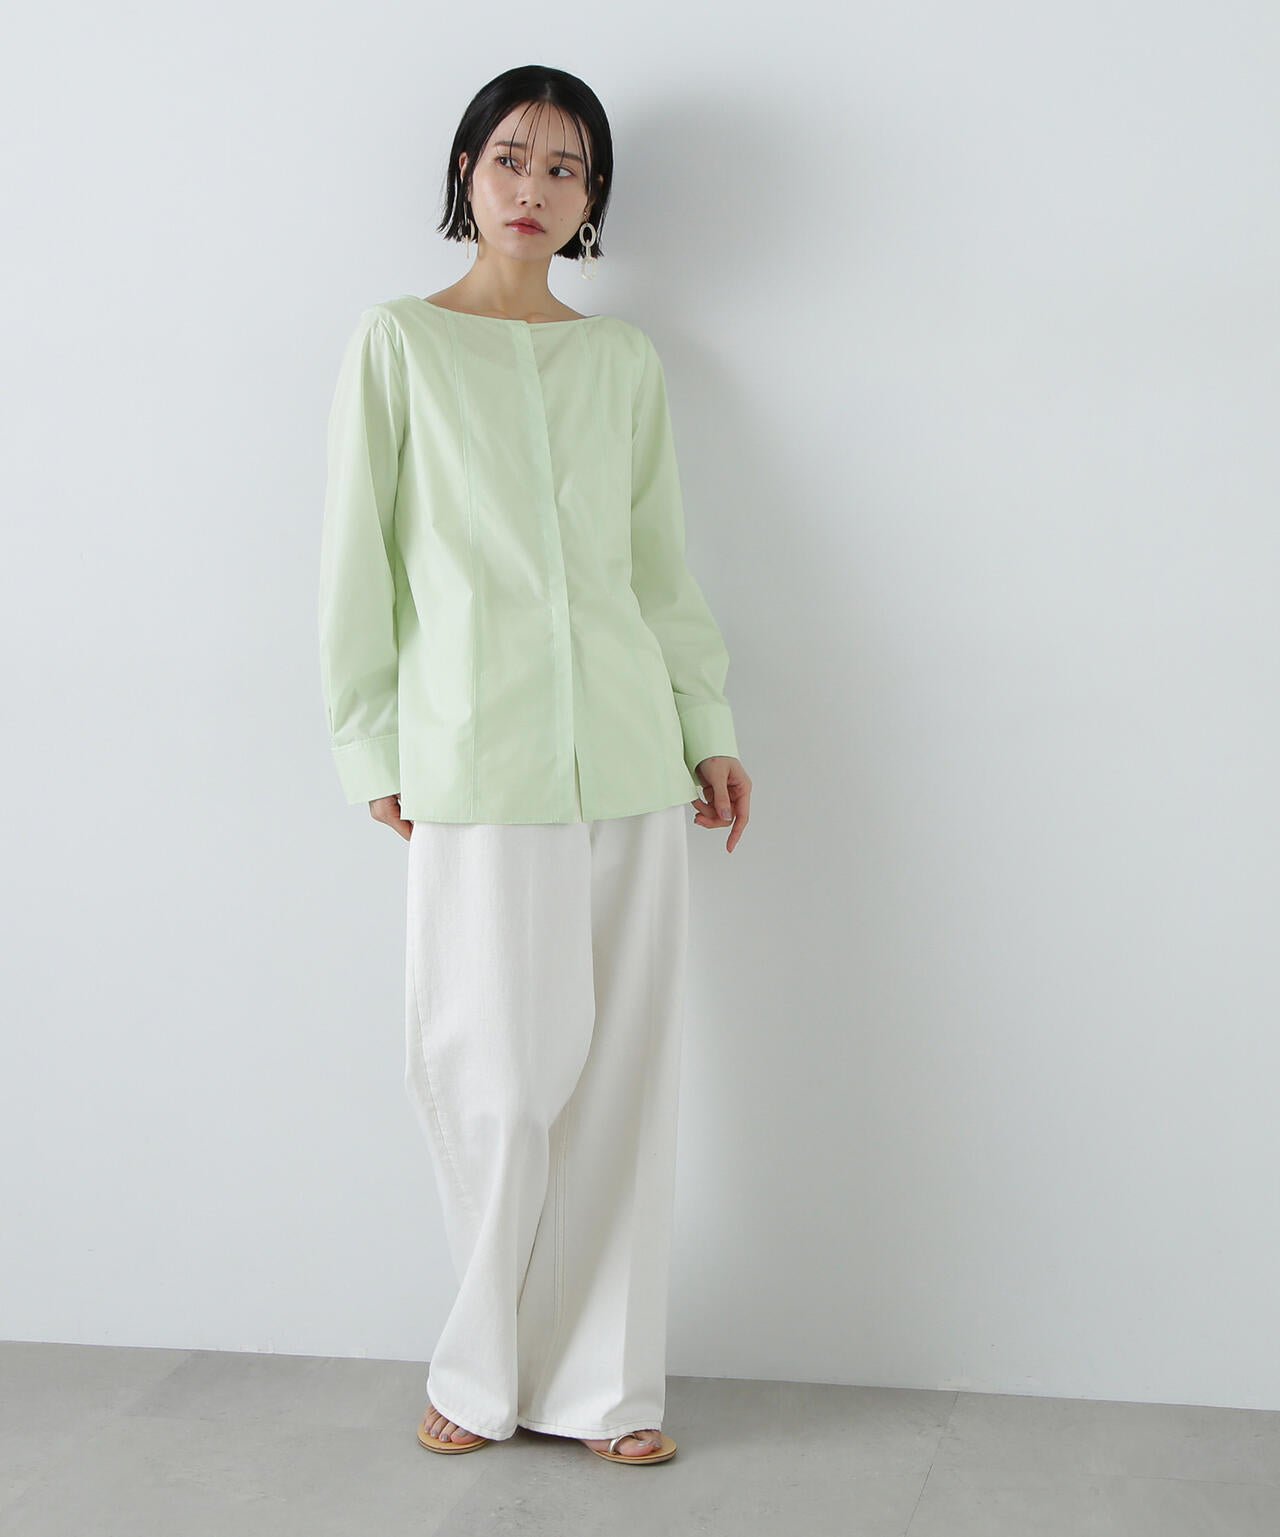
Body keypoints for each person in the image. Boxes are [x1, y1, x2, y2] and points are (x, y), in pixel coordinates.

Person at [318, 65, 752, 1466]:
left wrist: (705, 726)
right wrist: (369, 738)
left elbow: (658, 571)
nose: (535, 187)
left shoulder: (622, 363)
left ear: (592, 200)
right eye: (512, 157)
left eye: (567, 168)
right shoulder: (398, 344)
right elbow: (358, 564)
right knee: (496, 1077)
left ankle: (609, 1391)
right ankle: (481, 1365)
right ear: (465, 169)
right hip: (475, 755)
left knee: (623, 1082)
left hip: (630, 756)